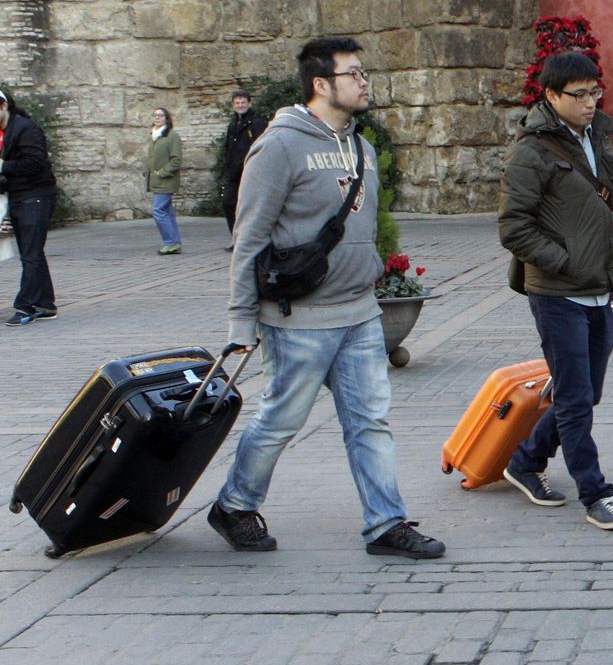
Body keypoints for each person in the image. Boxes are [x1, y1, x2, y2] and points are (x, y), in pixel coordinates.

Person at [210, 37, 445, 560]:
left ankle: (386, 524)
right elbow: (248, 238)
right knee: (280, 420)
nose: (365, 83)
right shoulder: (279, 146)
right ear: (322, 84)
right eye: (354, 74)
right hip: (299, 319)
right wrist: (240, 322)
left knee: (370, 422)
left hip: (360, 313)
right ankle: (234, 505)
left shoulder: (360, 146)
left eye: (364, 73)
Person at [499, 51, 613, 531]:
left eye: (595, 91)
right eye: (579, 94)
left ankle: (525, 460)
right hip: (556, 294)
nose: (591, 101)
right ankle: (596, 493)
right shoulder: (529, 152)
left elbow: (598, 210)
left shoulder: (599, 135)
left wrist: (612, 266)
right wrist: (564, 262)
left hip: (599, 286)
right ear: (552, 96)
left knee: (586, 392)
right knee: (575, 397)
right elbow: (514, 228)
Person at [0, 89, 58, 326]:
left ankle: (25, 306)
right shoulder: (5, 131)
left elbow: (36, 162)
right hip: (18, 196)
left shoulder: (25, 128)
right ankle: (45, 304)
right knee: (31, 253)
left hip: (36, 196)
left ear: (3, 106)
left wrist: (4, 165)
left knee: (31, 254)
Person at [222, 89, 268, 241]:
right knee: (229, 203)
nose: (240, 105)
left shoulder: (256, 123)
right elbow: (228, 147)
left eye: (243, 102)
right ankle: (237, 238)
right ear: (233, 105)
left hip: (250, 171)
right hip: (234, 173)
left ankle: (250, 238)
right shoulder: (233, 124)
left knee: (249, 207)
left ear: (249, 103)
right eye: (237, 103)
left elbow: (261, 145)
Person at [147, 108, 183, 255]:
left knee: (158, 210)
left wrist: (162, 173)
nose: (157, 118)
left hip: (166, 181)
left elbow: (176, 160)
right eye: (155, 115)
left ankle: (170, 242)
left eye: (160, 115)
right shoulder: (154, 136)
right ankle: (174, 242)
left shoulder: (172, 136)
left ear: (167, 119)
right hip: (156, 181)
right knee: (167, 213)